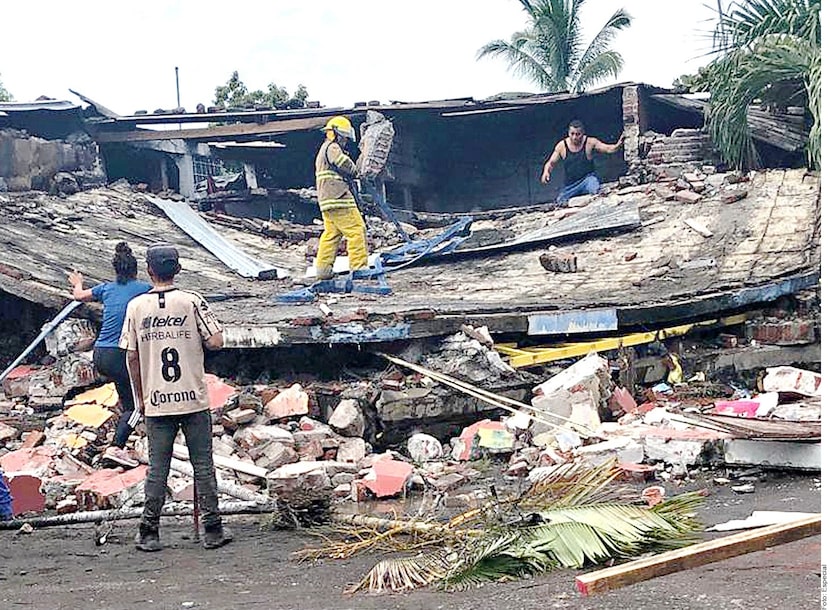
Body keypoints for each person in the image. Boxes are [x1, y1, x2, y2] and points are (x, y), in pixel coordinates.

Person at [120, 244, 231, 552]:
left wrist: (139, 397)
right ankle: (213, 530)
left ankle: (149, 531)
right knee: (203, 465)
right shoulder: (192, 301)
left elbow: (131, 356)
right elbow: (217, 341)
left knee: (158, 468)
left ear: (149, 271)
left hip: (156, 400)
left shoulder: (136, 306)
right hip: (193, 398)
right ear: (178, 270)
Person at [69, 242, 151, 468]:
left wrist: (77, 282)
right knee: (136, 406)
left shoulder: (105, 289)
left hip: (100, 352)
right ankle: (116, 447)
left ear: (116, 270)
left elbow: (78, 295)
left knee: (127, 395)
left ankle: (122, 439)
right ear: (136, 270)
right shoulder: (144, 289)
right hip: (121, 353)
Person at [313, 115, 369, 280]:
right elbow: (343, 162)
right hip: (338, 197)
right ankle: (360, 270)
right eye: (344, 138)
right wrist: (356, 171)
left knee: (331, 234)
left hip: (327, 200)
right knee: (357, 230)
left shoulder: (323, 149)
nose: (345, 142)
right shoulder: (332, 147)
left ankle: (323, 272)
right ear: (337, 134)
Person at [541, 119, 624, 204]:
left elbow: (608, 149)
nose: (574, 137)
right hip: (571, 185)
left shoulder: (590, 142)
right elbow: (551, 163)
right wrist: (546, 172)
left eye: (578, 134)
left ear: (583, 133)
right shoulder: (562, 146)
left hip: (587, 180)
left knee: (595, 189)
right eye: (572, 134)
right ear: (568, 133)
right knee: (560, 201)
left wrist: (618, 144)